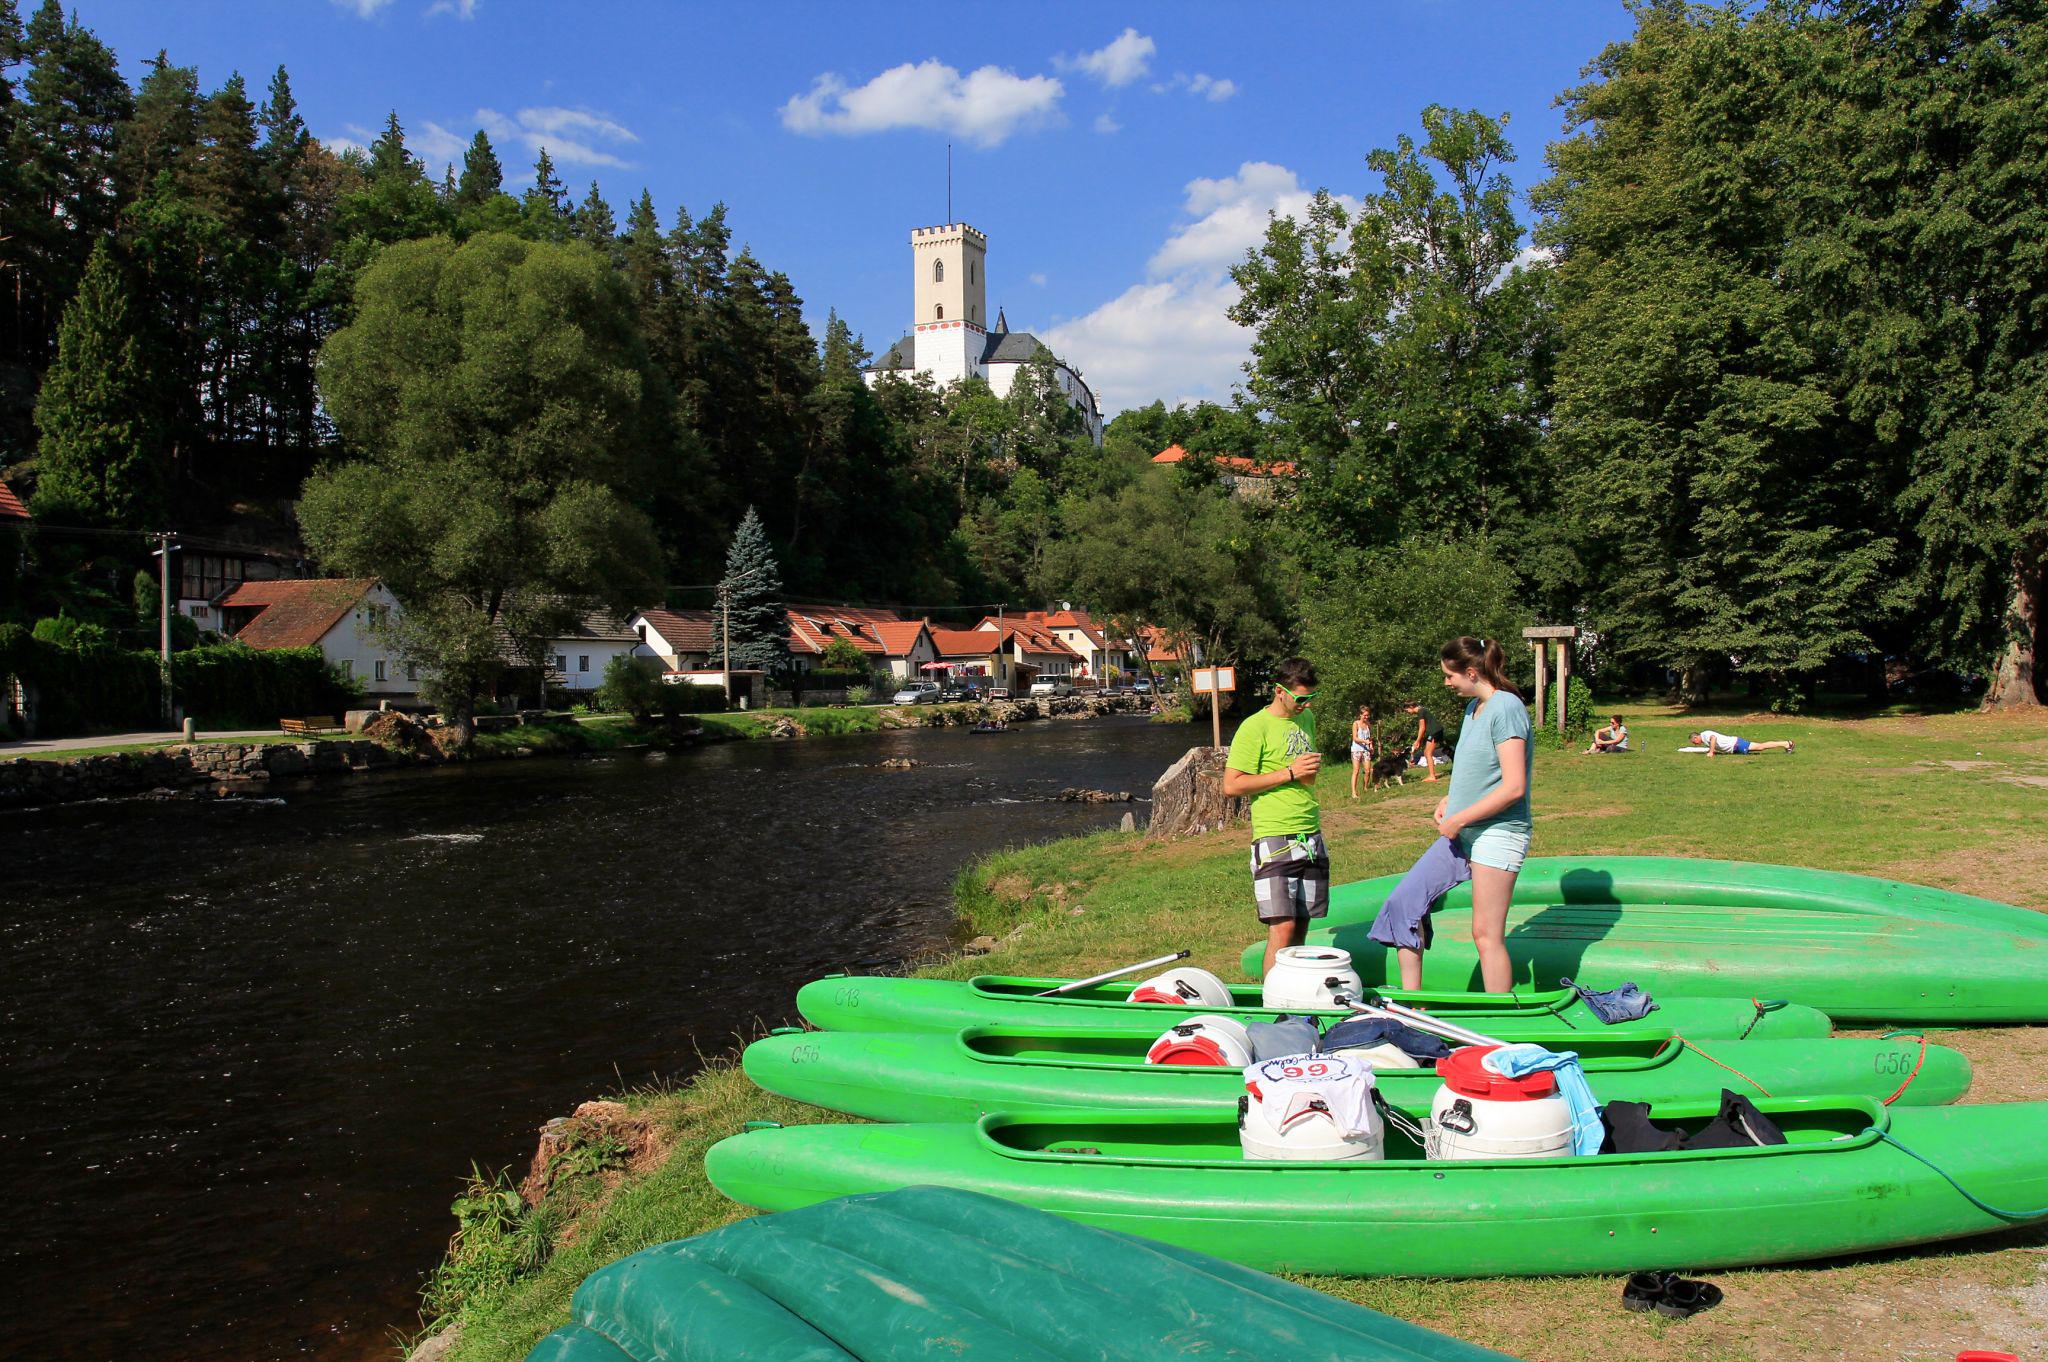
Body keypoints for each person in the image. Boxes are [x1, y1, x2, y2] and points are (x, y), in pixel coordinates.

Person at [1368, 637, 1533, 993]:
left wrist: (1459, 819)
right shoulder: (1473, 708)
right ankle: (1413, 1009)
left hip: (1498, 833)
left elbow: (1513, 786)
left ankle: (1500, 1023)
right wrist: (1450, 800)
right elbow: (1481, 772)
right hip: (1463, 832)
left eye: (1449, 675)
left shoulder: (1507, 707)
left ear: (1471, 672)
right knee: (1403, 904)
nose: (1446, 682)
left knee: (1486, 934)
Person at [1221, 658, 1328, 975]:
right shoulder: (1255, 727)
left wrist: (1303, 774)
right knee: (1282, 928)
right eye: (1300, 698)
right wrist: (1290, 773)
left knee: (1301, 928)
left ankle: (1295, 999)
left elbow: (1303, 770)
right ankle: (1272, 1007)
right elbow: (1232, 785)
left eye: (1311, 698)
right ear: (1280, 691)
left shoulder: (1305, 718)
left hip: (1309, 833)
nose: (1305, 704)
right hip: (1274, 836)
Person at [1404, 699, 1444, 781]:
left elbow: (1422, 728)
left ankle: (1432, 776)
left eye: (1407, 709)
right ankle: (1432, 773)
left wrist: (1417, 741)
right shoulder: (1423, 710)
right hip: (1434, 732)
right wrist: (1420, 740)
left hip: (1435, 732)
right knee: (1426, 752)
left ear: (1411, 706)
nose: (1407, 711)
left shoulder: (1420, 711)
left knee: (1428, 753)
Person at [1689, 729, 1794, 757]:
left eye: (1694, 742)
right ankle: (1786, 744)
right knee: (1760, 747)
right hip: (1734, 747)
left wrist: (1711, 752)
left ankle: (1786, 743)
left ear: (1696, 737)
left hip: (1736, 744)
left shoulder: (1706, 734)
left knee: (1760, 747)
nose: (1696, 744)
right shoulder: (1705, 738)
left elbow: (1714, 738)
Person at [1349, 703, 1376, 798]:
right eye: (1364, 715)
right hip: (1356, 750)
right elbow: (1355, 738)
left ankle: (1365, 787)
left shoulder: (1368, 725)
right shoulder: (1355, 724)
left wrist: (1371, 746)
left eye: (1368, 715)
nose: (1366, 717)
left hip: (1366, 750)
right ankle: (1354, 792)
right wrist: (1365, 741)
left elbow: (1370, 738)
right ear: (1360, 715)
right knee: (1356, 771)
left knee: (1368, 770)